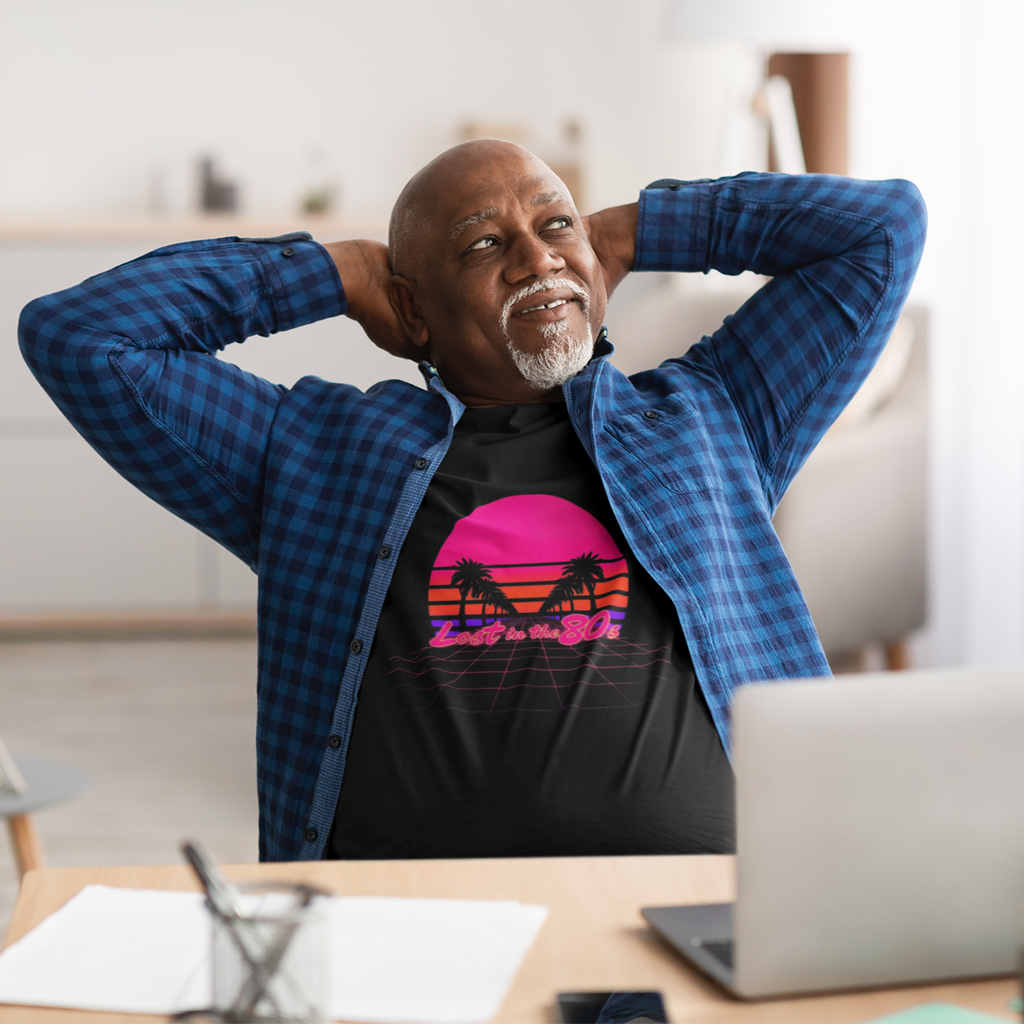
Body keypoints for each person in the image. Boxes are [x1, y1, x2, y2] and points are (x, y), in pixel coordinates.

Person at [18, 141, 926, 863]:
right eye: (486, 243)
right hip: (418, 939)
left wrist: (628, 233)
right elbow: (79, 337)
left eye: (553, 225)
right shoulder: (310, 454)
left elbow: (883, 228)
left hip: (709, 913)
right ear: (411, 314)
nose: (537, 258)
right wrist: (331, 273)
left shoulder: (711, 415)